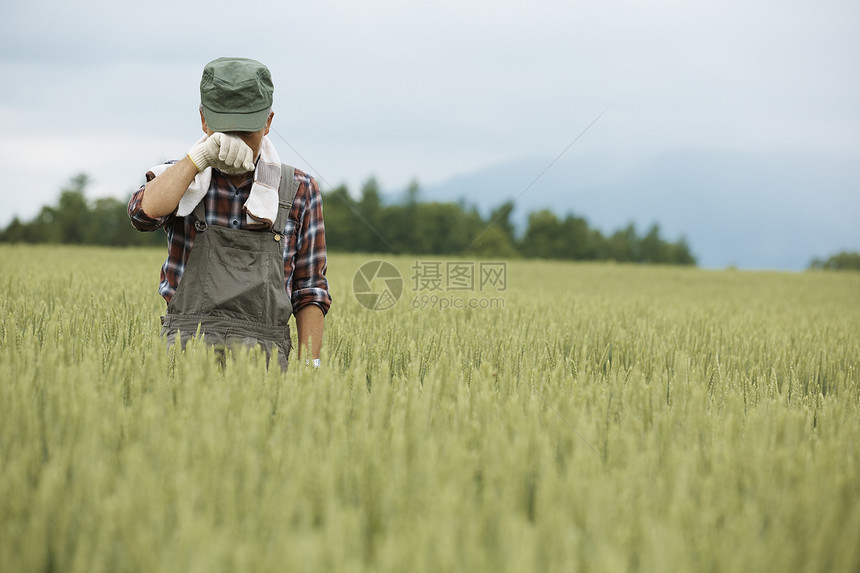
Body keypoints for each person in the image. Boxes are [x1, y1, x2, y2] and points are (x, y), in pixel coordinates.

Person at [128, 57, 331, 370]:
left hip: (265, 366)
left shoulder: (298, 189)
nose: (234, 143)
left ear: (268, 122)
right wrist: (197, 159)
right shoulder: (182, 179)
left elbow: (310, 290)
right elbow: (143, 214)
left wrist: (309, 369)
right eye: (225, 131)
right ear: (204, 120)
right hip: (183, 359)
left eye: (246, 132)